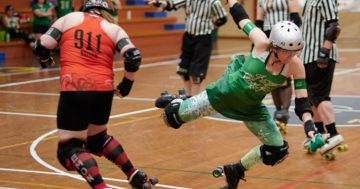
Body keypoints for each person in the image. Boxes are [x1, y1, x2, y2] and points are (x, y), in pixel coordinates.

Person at [155, 0, 324, 188]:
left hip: (251, 108)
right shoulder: (261, 42)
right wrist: (232, 1)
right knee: (171, 118)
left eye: (294, 51)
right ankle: (181, 99)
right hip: (223, 94)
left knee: (278, 150)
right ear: (274, 45)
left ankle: (235, 170)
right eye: (286, 51)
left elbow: (302, 102)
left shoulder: (296, 65)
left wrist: (310, 127)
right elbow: (241, 18)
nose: (290, 56)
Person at [32, 0, 157, 188]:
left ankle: (101, 187)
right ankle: (134, 174)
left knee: (69, 148)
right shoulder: (113, 28)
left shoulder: (69, 18)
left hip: (75, 86)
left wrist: (45, 58)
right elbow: (133, 56)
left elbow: (41, 45)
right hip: (103, 90)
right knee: (97, 140)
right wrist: (126, 84)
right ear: (107, 12)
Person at [147, 0, 227, 97]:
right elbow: (172, 5)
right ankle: (189, 96)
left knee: (196, 72)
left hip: (203, 38)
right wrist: (158, 3)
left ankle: (195, 97)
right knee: (183, 69)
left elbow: (222, 18)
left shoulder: (213, 2)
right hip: (188, 37)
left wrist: (212, 26)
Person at [300, 0, 344, 156]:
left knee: (320, 95)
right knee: (311, 97)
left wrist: (324, 52)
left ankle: (334, 134)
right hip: (307, 56)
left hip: (320, 55)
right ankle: (322, 133)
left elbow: (333, 26)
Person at [255, 0, 302, 133]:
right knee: (272, 76)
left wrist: (292, 41)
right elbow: (259, 22)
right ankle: (278, 112)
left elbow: (296, 18)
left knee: (285, 76)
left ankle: (284, 114)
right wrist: (256, 44)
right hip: (269, 39)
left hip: (286, 38)